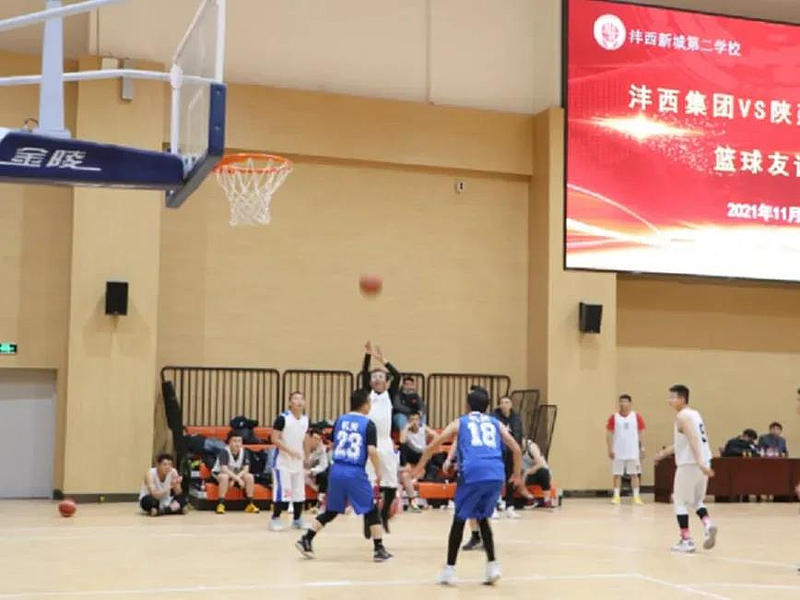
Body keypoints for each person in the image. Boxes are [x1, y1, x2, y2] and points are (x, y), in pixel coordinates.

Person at [412, 386, 522, 586]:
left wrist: (419, 467)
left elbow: (434, 444)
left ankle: (449, 570)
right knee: (482, 517)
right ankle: (493, 566)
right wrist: (516, 474)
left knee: (459, 519)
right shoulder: (496, 422)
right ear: (487, 407)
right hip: (496, 473)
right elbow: (516, 448)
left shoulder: (461, 422)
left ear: (467, 405)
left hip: (473, 472)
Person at [295, 388, 393, 562]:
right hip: (354, 471)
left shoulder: (340, 420)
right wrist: (379, 471)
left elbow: (335, 443)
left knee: (332, 509)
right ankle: (379, 549)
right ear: (365, 405)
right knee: (371, 509)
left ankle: (306, 538)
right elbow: (372, 450)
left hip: (336, 469)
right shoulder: (368, 424)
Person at [654, 384, 717, 553]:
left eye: (672, 397)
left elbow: (693, 438)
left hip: (690, 464)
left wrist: (699, 462)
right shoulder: (695, 414)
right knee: (697, 501)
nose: (669, 400)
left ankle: (686, 540)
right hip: (704, 461)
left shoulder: (682, 416)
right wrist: (662, 454)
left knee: (679, 501)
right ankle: (708, 524)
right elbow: (683, 443)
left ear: (682, 399)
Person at [361, 341, 401, 534]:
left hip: (386, 443)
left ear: (386, 381)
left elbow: (398, 375)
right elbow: (363, 372)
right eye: (374, 377)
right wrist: (368, 355)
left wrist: (383, 360)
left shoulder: (389, 395)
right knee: (368, 485)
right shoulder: (367, 394)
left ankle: (383, 515)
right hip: (370, 444)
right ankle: (368, 520)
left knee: (391, 484)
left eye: (381, 377)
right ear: (370, 382)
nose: (377, 379)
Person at [270, 391, 309, 531]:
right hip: (282, 462)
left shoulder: (305, 420)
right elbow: (274, 439)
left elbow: (305, 439)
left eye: (301, 399)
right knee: (283, 492)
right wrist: (290, 451)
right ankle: (275, 519)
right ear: (290, 403)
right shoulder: (282, 419)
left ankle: (297, 520)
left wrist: (307, 457)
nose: (298, 401)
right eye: (295, 399)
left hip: (298, 461)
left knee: (299, 492)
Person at [606, 394, 646, 505]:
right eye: (621, 401)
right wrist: (610, 448)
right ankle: (616, 496)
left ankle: (636, 496)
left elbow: (641, 432)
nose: (623, 403)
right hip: (618, 450)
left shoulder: (636, 416)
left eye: (625, 401)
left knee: (634, 474)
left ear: (630, 403)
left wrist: (642, 447)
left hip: (633, 450)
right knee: (617, 474)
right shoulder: (614, 417)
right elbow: (609, 433)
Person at [398, 411, 439, 512]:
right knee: (403, 447)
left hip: (423, 454)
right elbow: (401, 441)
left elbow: (437, 436)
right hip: (412, 454)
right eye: (412, 420)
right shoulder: (406, 431)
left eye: (416, 420)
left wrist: (429, 446)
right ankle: (406, 466)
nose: (415, 422)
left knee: (429, 455)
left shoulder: (423, 428)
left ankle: (418, 475)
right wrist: (407, 427)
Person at [211, 431, 260, 515]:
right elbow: (224, 469)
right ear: (229, 442)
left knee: (249, 477)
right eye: (234, 441)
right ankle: (221, 504)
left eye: (239, 441)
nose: (237, 444)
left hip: (235, 474)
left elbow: (246, 469)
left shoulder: (244, 452)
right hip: (220, 473)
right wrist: (237, 479)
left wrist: (235, 479)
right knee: (224, 477)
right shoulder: (224, 451)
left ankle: (250, 504)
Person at [493, 395, 523, 517]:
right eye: (502, 402)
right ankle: (494, 506)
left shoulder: (516, 418)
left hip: (511, 453)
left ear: (511, 405)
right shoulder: (494, 418)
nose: (504, 405)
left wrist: (518, 451)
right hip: (498, 453)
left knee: (511, 479)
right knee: (496, 480)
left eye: (507, 402)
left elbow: (519, 435)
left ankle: (510, 506)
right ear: (499, 405)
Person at [304, 428, 329, 510]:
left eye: (319, 439)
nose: (317, 441)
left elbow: (323, 465)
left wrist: (311, 471)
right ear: (309, 438)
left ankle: (320, 502)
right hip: (299, 471)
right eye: (315, 438)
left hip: (312, 473)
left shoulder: (321, 448)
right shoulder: (300, 446)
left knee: (326, 474)